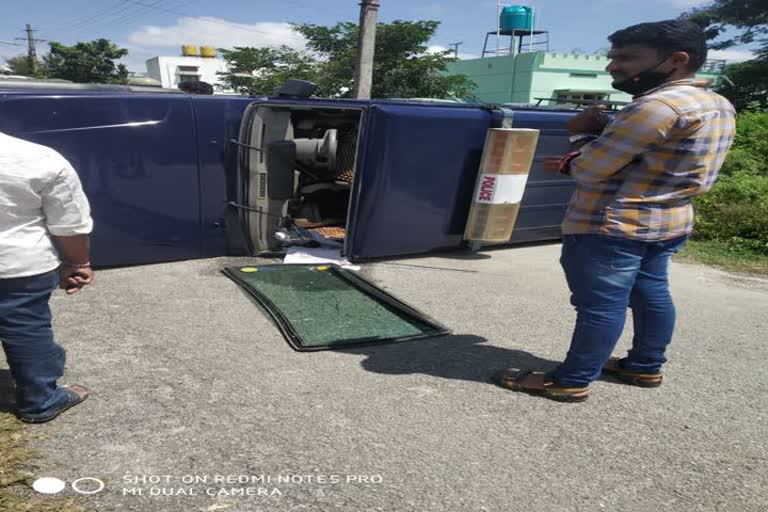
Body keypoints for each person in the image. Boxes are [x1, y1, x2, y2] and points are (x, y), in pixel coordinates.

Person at [496, 20, 736, 402]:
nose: (612, 67)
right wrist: (605, 129)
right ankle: (644, 366)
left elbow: (590, 169)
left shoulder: (656, 106)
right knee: (651, 293)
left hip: (611, 225)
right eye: (612, 57)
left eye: (625, 57)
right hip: (667, 221)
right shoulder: (716, 103)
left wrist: (581, 136)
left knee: (600, 306)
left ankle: (570, 380)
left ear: (676, 60)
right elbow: (659, 154)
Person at [0, 130, 94, 422]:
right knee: (26, 330)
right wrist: (78, 263)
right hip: (16, 266)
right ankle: (40, 400)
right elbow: (69, 224)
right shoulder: (39, 159)